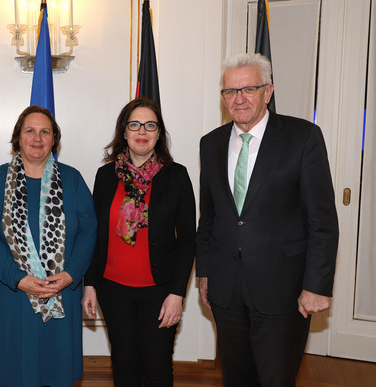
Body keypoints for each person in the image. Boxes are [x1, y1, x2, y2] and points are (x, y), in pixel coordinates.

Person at [196, 53, 339, 387]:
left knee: (276, 378)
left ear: (268, 91)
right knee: (236, 376)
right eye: (231, 91)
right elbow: (209, 216)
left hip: (284, 289)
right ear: (223, 97)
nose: (239, 98)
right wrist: (204, 271)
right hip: (226, 287)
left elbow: (322, 221)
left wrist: (315, 285)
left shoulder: (303, 137)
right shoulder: (211, 144)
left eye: (249, 89)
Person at [0, 105, 97, 387]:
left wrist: (70, 276)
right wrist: (19, 279)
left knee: (58, 370)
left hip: (61, 290)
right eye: (30, 131)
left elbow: (90, 232)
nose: (37, 138)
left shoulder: (72, 179)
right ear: (18, 137)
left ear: (54, 138)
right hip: (12, 293)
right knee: (16, 370)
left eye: (45, 132)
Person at [82, 97, 196, 387]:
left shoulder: (177, 176)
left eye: (150, 125)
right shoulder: (106, 176)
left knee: (157, 368)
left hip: (159, 291)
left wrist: (177, 293)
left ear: (159, 133)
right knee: (124, 365)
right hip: (112, 289)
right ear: (124, 131)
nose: (142, 131)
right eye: (134, 124)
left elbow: (186, 241)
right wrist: (90, 284)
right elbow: (95, 235)